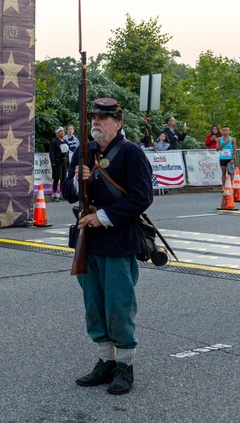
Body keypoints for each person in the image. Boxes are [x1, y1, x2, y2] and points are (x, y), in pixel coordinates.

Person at [62, 98, 153, 396]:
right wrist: (78, 181)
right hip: (87, 241)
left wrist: (102, 217)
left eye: (103, 118)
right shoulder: (84, 150)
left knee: (118, 304)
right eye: (94, 118)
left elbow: (141, 197)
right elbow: (66, 192)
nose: (96, 123)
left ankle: (125, 366)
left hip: (116, 239)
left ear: (118, 123)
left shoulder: (131, 153)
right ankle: (105, 361)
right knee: (94, 305)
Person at [48, 127, 69, 201]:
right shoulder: (54, 141)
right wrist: (53, 163)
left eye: (63, 131)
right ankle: (54, 195)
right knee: (57, 178)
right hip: (57, 163)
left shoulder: (65, 142)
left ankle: (62, 194)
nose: (63, 132)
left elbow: (67, 153)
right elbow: (52, 153)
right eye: (60, 131)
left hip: (64, 163)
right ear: (56, 133)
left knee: (63, 179)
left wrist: (68, 163)